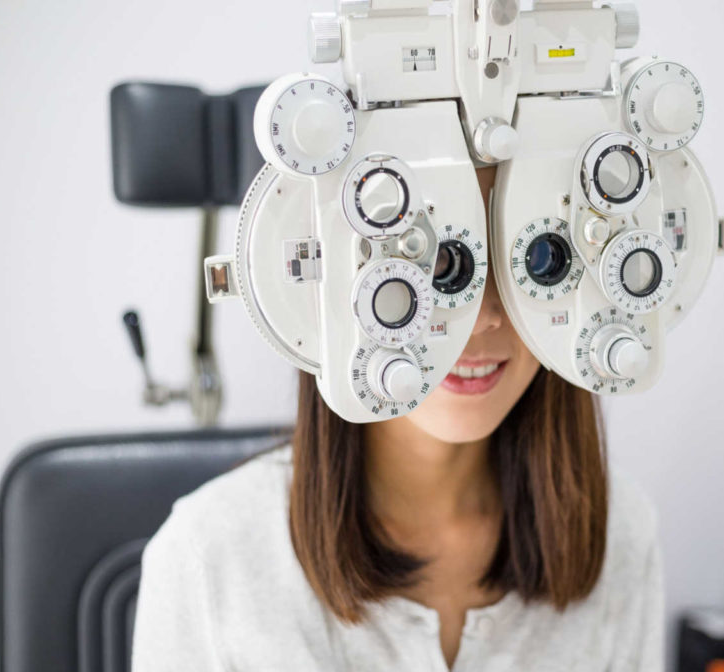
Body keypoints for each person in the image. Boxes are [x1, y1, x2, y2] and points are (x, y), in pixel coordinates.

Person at [131, 164, 664, 671]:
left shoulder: (619, 530)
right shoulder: (208, 556)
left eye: (533, 259)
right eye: (434, 265)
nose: (481, 320)